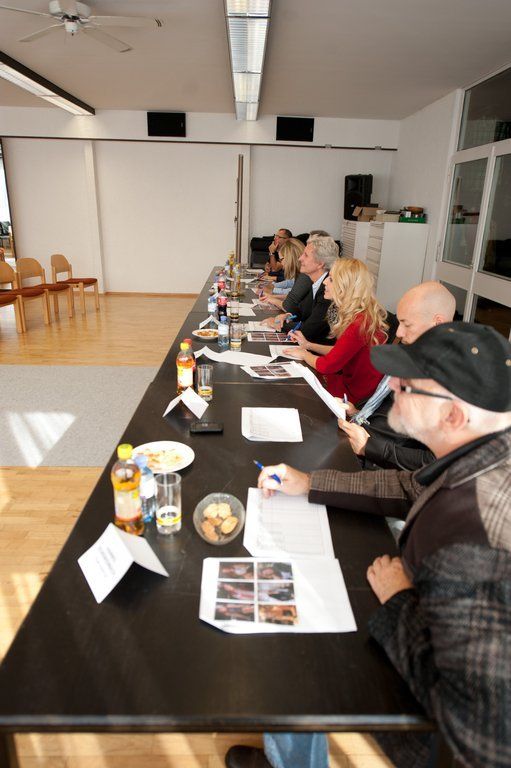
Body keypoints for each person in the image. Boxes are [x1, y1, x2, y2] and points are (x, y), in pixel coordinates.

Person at [225, 323, 511, 768]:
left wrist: (399, 602)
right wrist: (309, 482)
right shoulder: (484, 451)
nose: (392, 385)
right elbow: (411, 485)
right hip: (433, 622)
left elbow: (482, 730)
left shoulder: (473, 537)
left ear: (454, 416)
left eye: (408, 384)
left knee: (299, 650)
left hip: (434, 731)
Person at [339, 281, 456, 470]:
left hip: (376, 466)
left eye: (407, 324)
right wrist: (356, 412)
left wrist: (369, 447)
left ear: (438, 323)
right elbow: (387, 406)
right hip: (360, 437)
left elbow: (435, 460)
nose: (399, 333)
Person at [284, 258, 387, 402]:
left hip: (352, 394)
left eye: (331, 279)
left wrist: (304, 354)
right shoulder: (360, 316)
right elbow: (339, 352)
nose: (325, 282)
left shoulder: (358, 324)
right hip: (349, 383)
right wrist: (308, 345)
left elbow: (327, 365)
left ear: (345, 287)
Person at [263, 236, 338, 344]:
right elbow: (302, 312)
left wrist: (279, 324)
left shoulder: (328, 289)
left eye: (306, 255)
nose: (300, 258)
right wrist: (289, 316)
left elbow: (309, 330)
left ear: (320, 263)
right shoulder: (315, 283)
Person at [258, 238, 305, 308]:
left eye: (281, 259)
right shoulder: (299, 273)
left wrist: (273, 291)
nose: (281, 263)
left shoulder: (305, 275)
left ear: (290, 257)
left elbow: (294, 294)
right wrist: (273, 287)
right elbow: (290, 283)